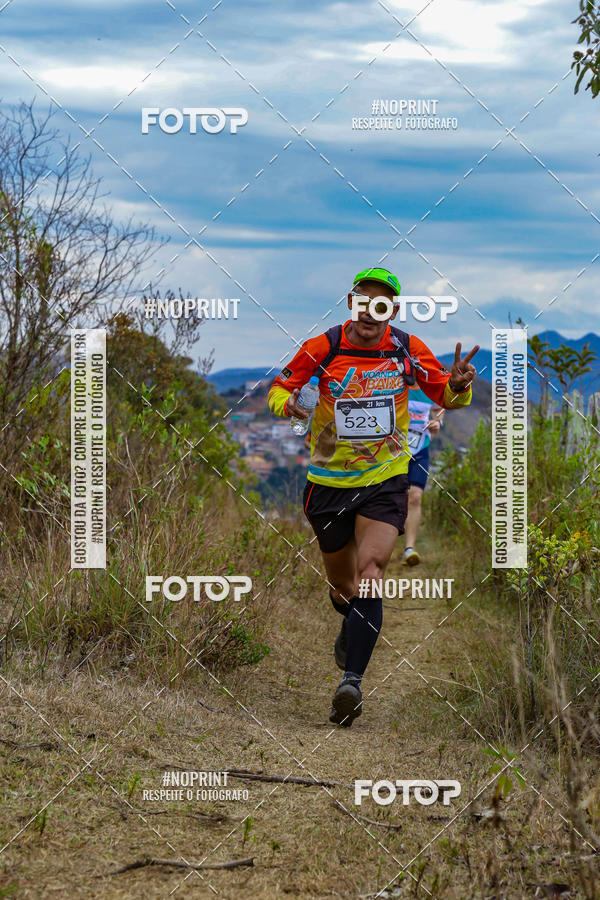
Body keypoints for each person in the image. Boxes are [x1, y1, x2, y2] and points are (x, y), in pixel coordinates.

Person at [267, 267, 478, 727]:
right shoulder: (324, 346)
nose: (371, 310)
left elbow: (441, 390)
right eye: (365, 301)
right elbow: (279, 389)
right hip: (328, 482)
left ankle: (351, 683)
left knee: (371, 574)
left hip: (385, 479)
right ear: (352, 302)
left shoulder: (405, 348)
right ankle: (349, 620)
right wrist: (291, 405)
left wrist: (458, 387)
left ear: (393, 311)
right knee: (344, 589)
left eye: (382, 304)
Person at [402, 386, 444, 566]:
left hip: (420, 448)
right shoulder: (395, 382)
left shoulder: (430, 385)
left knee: (416, 496)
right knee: (393, 496)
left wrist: (438, 423)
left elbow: (440, 408)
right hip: (394, 449)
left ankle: (409, 548)